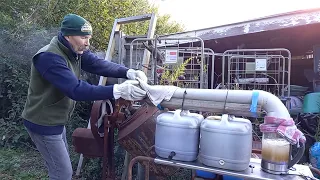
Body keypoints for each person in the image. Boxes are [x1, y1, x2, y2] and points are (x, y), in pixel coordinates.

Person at [21, 13, 147, 180]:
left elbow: (97, 64)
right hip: (43, 123)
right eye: (83, 37)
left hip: (56, 121)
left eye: (89, 37)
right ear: (67, 35)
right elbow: (76, 90)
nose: (87, 42)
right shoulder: (49, 57)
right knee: (63, 174)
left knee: (59, 170)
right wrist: (118, 90)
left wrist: (128, 72)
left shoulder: (73, 50)